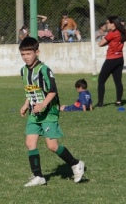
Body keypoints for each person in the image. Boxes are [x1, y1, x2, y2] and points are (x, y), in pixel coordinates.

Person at [18, 37, 87, 187]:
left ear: (37, 52)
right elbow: (30, 91)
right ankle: (38, 176)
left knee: (52, 145)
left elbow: (52, 91)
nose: (25, 57)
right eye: (23, 54)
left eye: (28, 53)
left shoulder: (44, 70)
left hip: (49, 111)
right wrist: (25, 105)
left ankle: (76, 164)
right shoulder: (23, 71)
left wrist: (42, 105)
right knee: (30, 143)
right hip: (34, 112)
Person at [95, 15, 126, 107]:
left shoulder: (112, 33)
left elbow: (100, 44)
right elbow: (114, 42)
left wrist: (105, 40)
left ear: (113, 24)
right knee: (118, 81)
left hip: (111, 59)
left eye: (108, 23)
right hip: (120, 58)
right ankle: (118, 101)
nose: (106, 25)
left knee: (101, 80)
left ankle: (100, 103)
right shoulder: (121, 32)